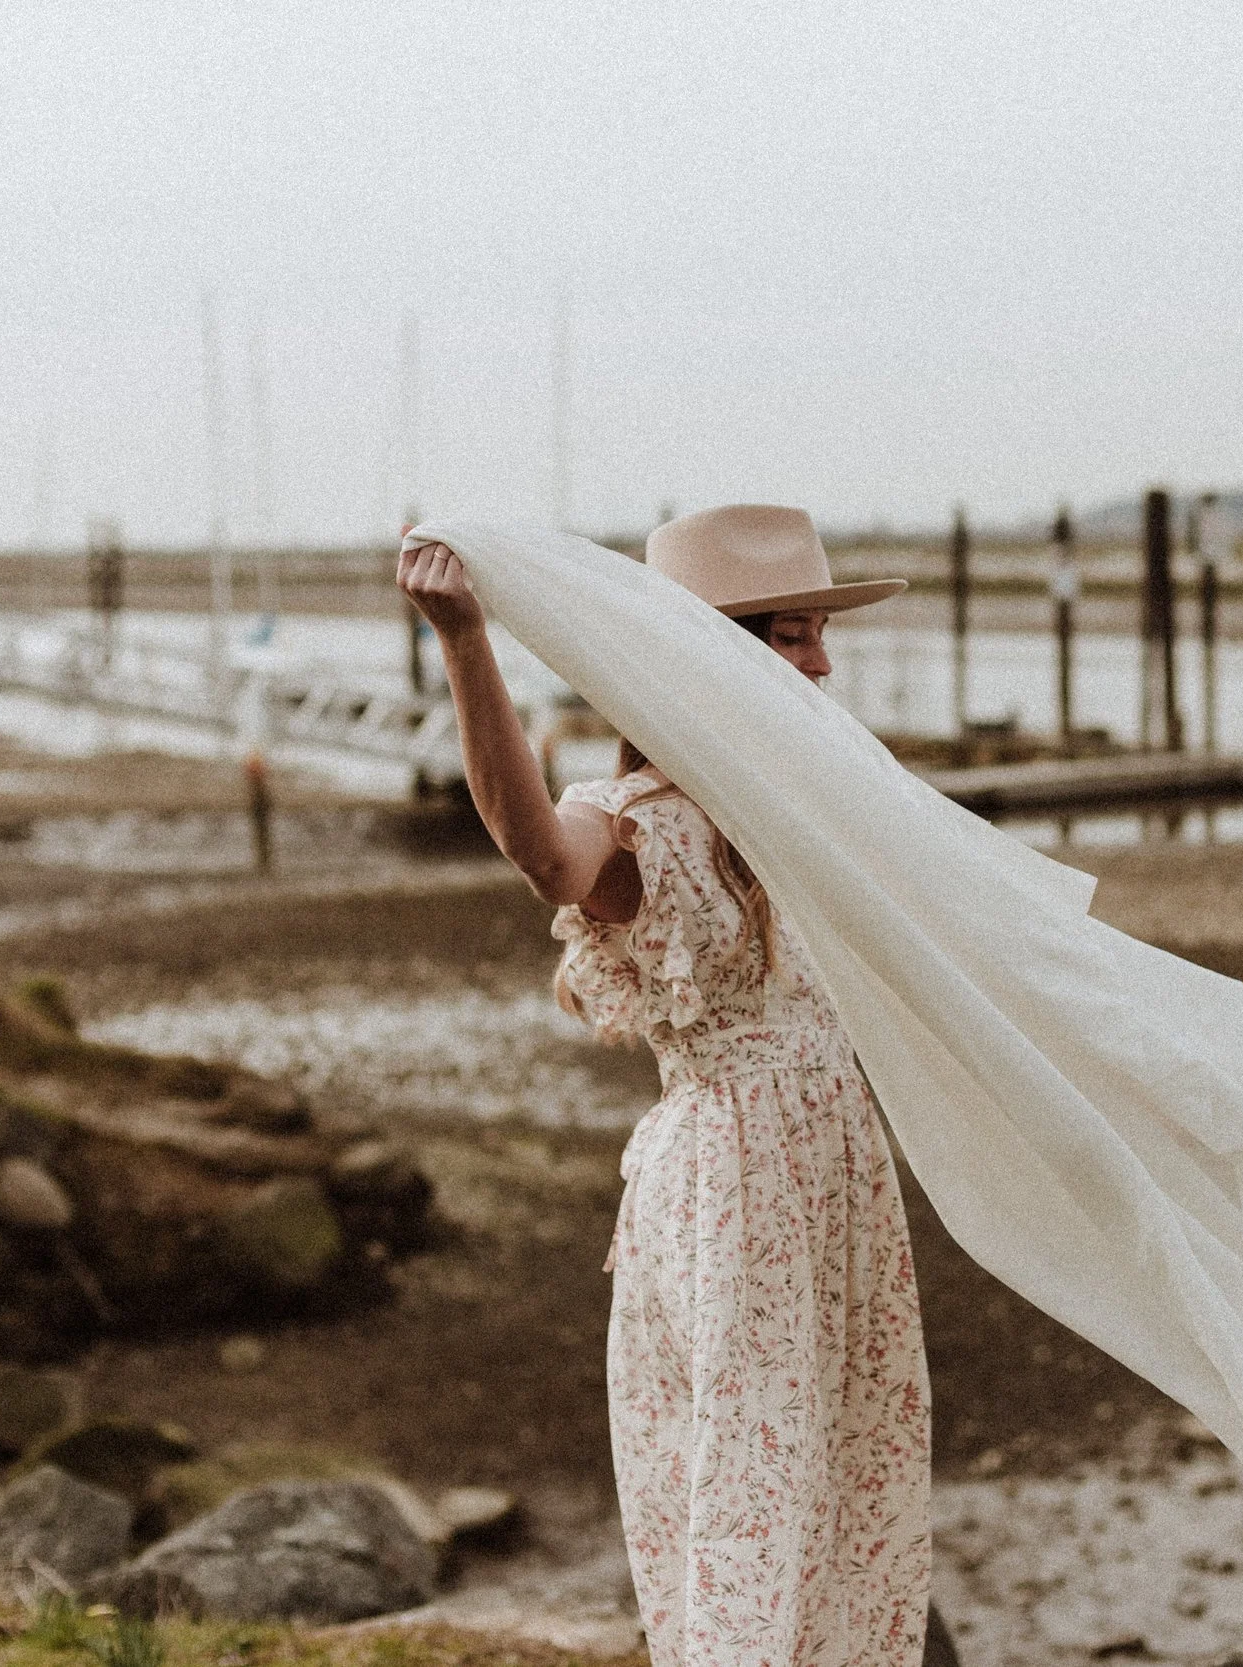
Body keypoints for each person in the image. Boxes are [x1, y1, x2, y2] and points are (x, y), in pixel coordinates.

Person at [398, 505, 931, 1667]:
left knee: (846, 1471)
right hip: (738, 1178)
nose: (824, 664)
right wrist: (464, 642)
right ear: (714, 650)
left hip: (835, 1167)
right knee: (751, 1477)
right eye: (794, 635)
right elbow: (542, 851)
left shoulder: (803, 804)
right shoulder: (639, 822)